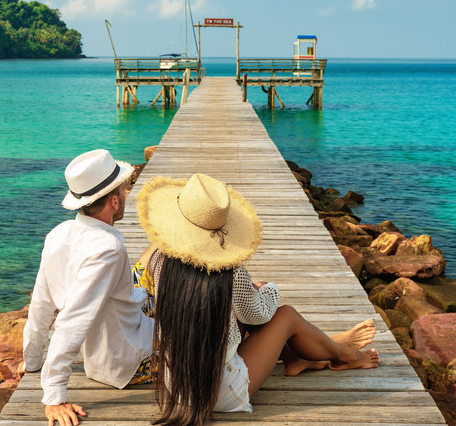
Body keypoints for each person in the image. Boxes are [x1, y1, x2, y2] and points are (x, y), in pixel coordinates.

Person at [135, 173, 380, 425]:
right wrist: (266, 289)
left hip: (175, 383)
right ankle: (346, 356)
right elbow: (259, 315)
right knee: (286, 315)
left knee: (236, 309)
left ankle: (297, 358)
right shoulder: (231, 274)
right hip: (219, 393)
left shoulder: (159, 262)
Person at [21, 149, 155, 426]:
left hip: (109, 342)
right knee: (206, 313)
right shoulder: (109, 249)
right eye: (124, 189)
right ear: (114, 201)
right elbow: (73, 320)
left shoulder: (58, 233)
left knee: (152, 262)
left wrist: (32, 360)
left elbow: (41, 304)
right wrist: (54, 396)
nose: (127, 194)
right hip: (128, 362)